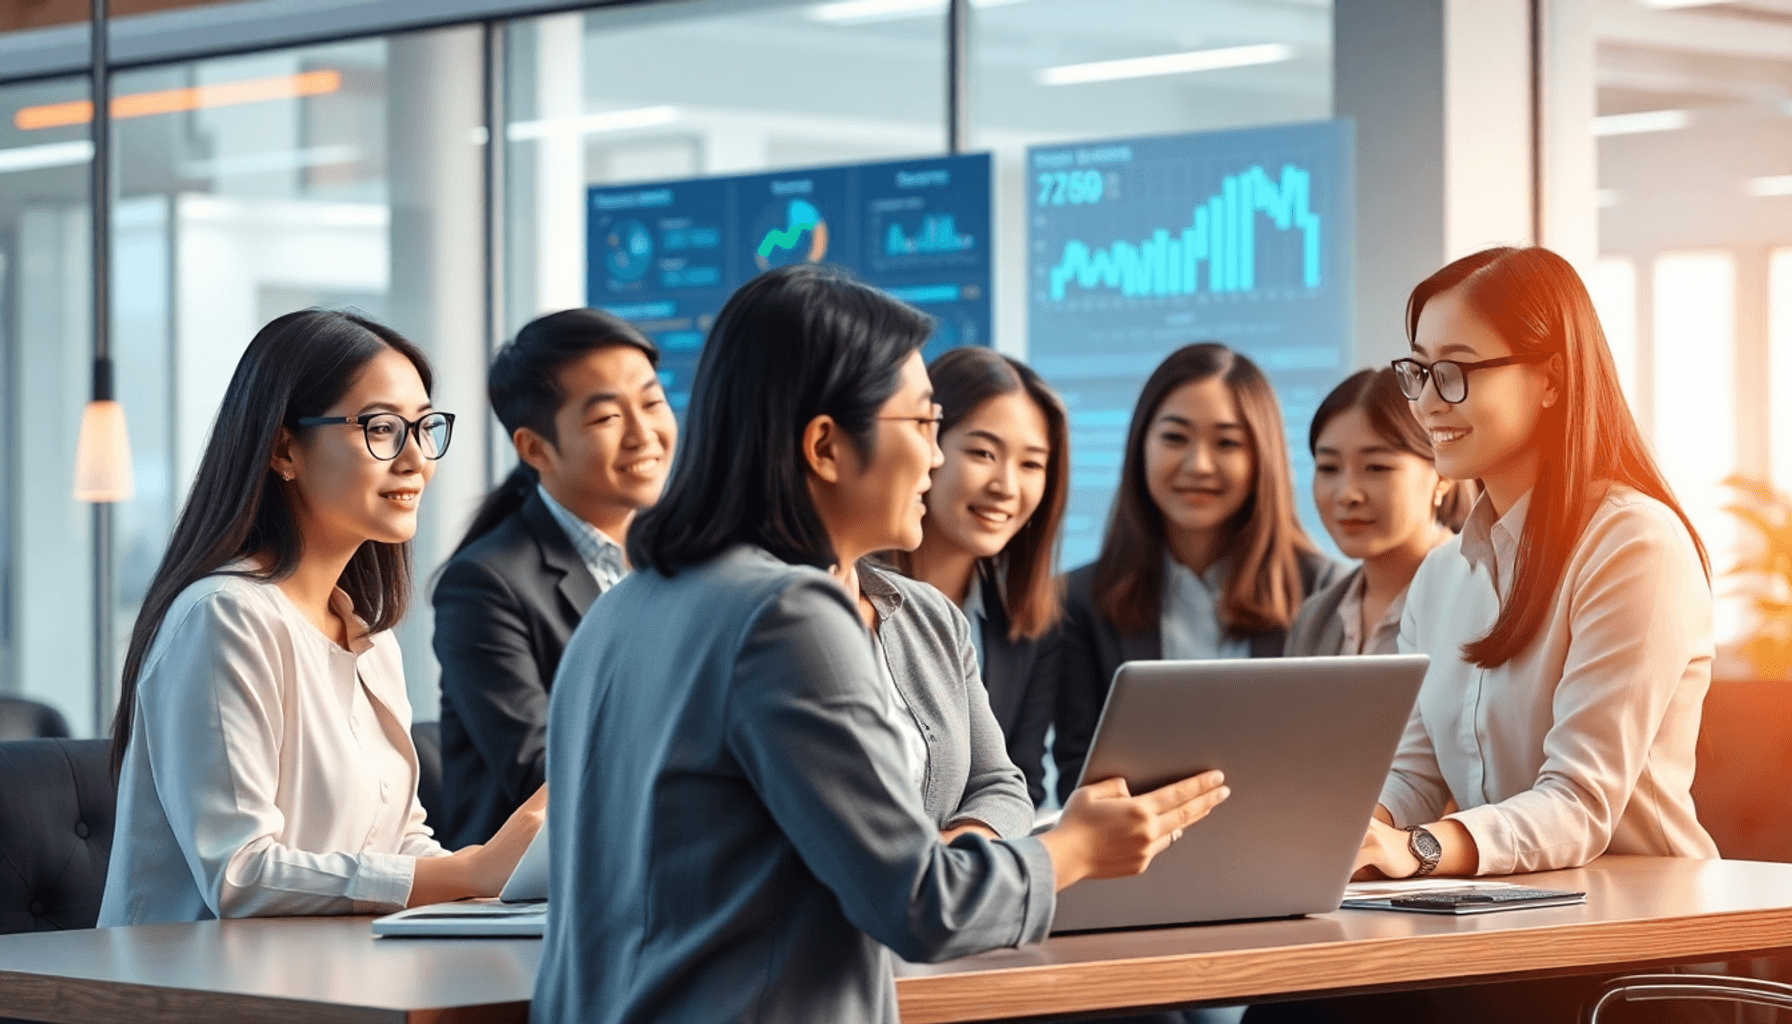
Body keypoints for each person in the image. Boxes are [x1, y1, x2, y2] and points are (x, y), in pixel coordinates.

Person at [531, 264, 1230, 1024]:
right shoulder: (786, 613)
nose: (936, 457)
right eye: (925, 425)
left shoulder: (625, 605)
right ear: (827, 447)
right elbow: (924, 908)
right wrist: (1076, 849)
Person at [1246, 247, 1722, 1024]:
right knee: (1290, 1009)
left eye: (1458, 370)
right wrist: (1346, 827)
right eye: (1419, 370)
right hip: (1502, 933)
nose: (1429, 401)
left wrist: (1421, 850)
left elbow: (1577, 803)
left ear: (1551, 379)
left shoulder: (1634, 546)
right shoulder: (1444, 576)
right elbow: (1415, 776)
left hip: (1625, 954)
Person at [99, 309, 544, 927]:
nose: (416, 458)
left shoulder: (369, 636)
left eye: (425, 428)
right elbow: (240, 873)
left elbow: (399, 844)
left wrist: (491, 896)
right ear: (285, 448)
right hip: (199, 992)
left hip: (333, 971)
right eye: (383, 428)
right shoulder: (225, 616)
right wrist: (470, 871)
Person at [1052, 342, 1336, 803]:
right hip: (1135, 860)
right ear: (1141, 445)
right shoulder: (1077, 599)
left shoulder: (1326, 592)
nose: (1197, 465)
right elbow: (1079, 779)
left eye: (1226, 443)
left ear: (1260, 457)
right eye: (1175, 437)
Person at [432, 309, 673, 849]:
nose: (644, 434)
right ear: (536, 448)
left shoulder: (685, 559)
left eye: (653, 402)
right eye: (607, 418)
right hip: (534, 896)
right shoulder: (484, 585)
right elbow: (542, 772)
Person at [885, 347, 1070, 807]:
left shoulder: (1029, 626)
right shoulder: (853, 595)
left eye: (1031, 464)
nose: (1006, 486)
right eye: (983, 452)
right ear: (927, 444)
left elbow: (1021, 783)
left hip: (973, 867)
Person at [1285, 368, 1471, 657]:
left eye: (1376, 467)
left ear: (1443, 473)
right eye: (1328, 468)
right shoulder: (1314, 619)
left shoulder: (1479, 598)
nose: (1347, 494)